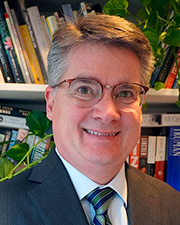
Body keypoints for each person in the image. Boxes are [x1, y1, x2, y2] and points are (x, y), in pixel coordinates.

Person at [0, 13, 180, 225]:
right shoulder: (5, 208)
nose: (107, 113)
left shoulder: (173, 206)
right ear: (51, 104)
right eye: (84, 89)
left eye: (125, 93)